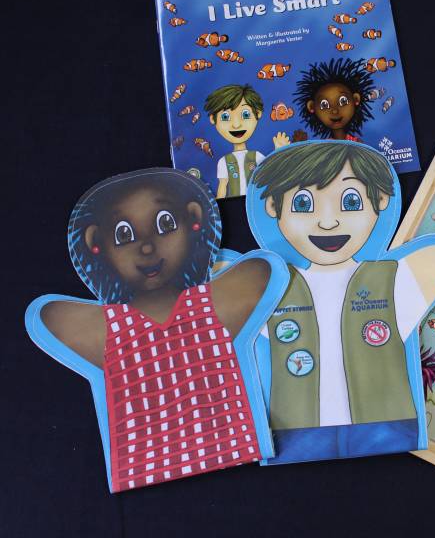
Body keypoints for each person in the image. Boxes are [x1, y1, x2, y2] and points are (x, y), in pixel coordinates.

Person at [26, 168, 287, 491]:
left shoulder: (215, 303)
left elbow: (260, 271)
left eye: (165, 224)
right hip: (151, 471)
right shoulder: (105, 328)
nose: (147, 247)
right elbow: (50, 316)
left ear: (194, 220)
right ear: (95, 243)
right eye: (124, 234)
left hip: (236, 459)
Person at [249, 141, 435, 463]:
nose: (328, 222)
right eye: (303, 203)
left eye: (350, 202)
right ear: (272, 207)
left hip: (387, 425)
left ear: (381, 200)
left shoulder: (396, 275)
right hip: (291, 432)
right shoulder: (266, 282)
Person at [204, 84, 289, 199]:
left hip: (254, 203)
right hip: (233, 204)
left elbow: (270, 177)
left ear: (257, 114)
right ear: (213, 119)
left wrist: (279, 152)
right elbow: (222, 187)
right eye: (225, 117)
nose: (236, 125)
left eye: (245, 114)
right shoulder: (224, 161)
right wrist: (220, 206)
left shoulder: (257, 156)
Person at [293, 58, 375, 142]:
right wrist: (300, 145)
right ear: (312, 107)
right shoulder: (324, 146)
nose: (335, 111)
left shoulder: (356, 143)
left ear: (355, 99)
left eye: (343, 101)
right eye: (324, 105)